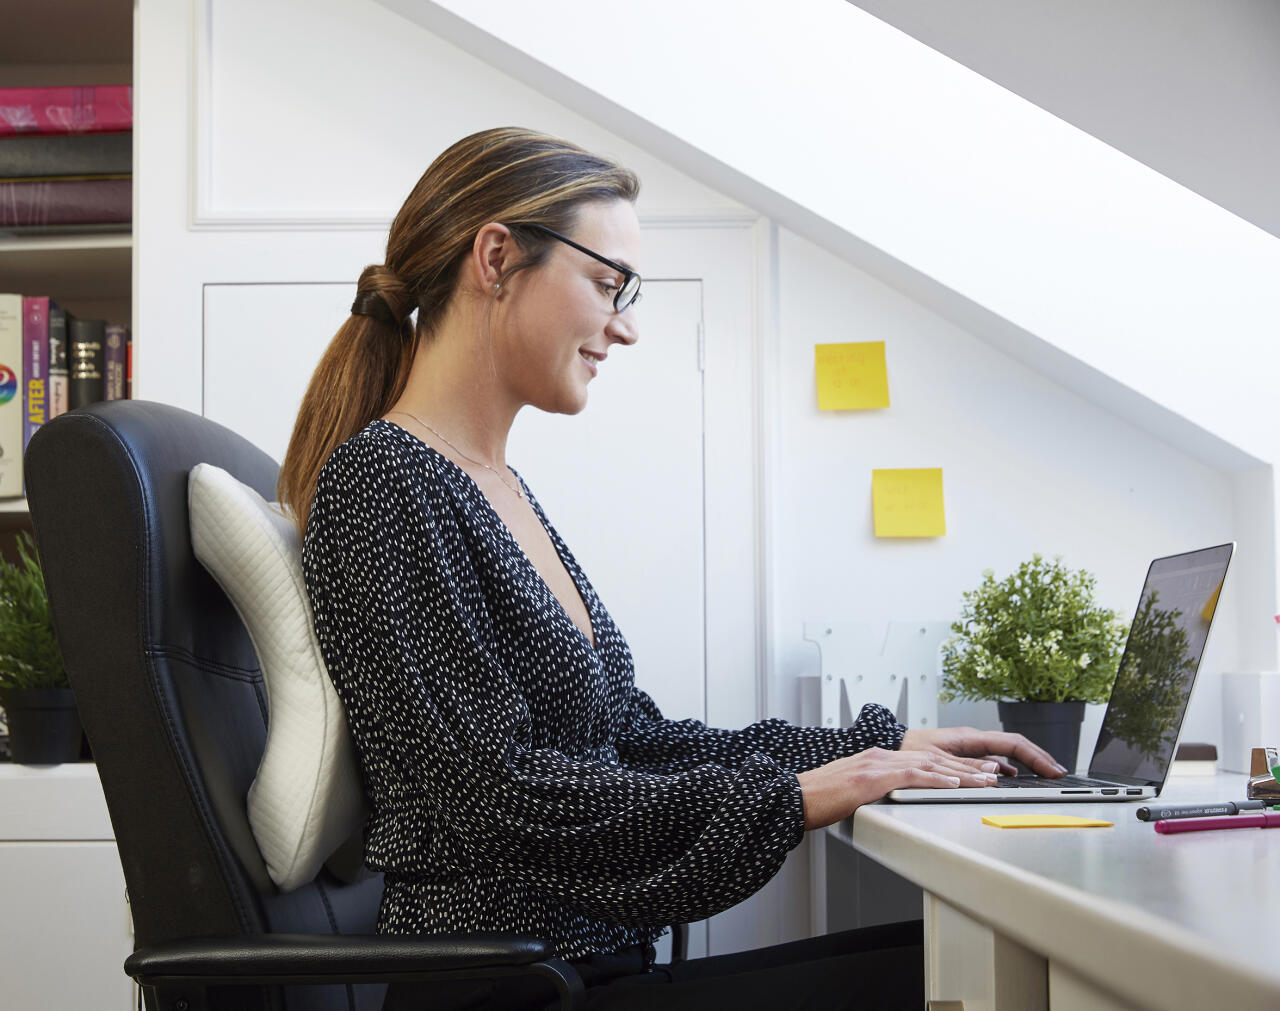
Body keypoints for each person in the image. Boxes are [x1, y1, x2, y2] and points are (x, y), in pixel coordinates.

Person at [280, 127, 1065, 1010]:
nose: (626, 325)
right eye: (608, 283)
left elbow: (636, 738)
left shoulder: (491, 485)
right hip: (514, 984)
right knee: (978, 975)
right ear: (496, 257)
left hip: (583, 963)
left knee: (986, 957)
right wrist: (801, 793)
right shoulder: (384, 482)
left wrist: (864, 749)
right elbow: (503, 794)